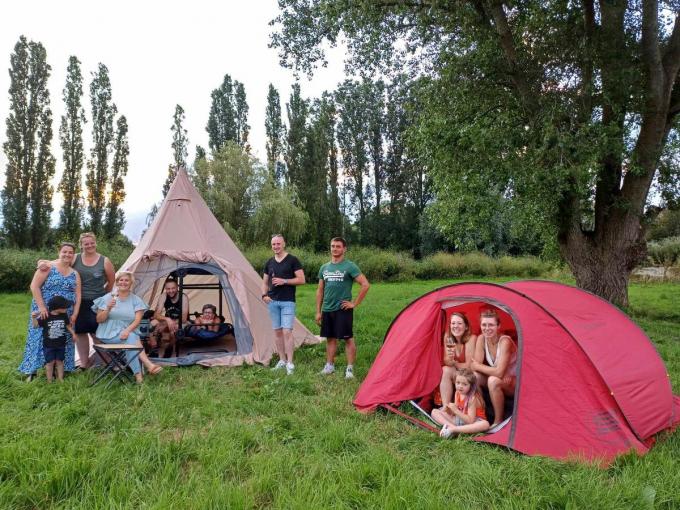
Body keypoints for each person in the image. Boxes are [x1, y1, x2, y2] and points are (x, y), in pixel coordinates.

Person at [38, 232, 115, 369]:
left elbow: (111, 282)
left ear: (95, 243)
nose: (89, 245)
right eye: (86, 243)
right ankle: (84, 364)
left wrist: (105, 299)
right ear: (81, 245)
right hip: (79, 302)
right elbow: (59, 261)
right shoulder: (75, 258)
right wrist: (43, 262)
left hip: (98, 302)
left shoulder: (105, 261)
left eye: (92, 242)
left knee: (98, 333)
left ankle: (106, 362)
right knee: (80, 333)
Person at [19, 242, 82, 381]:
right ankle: (32, 370)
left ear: (73, 255)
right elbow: (34, 286)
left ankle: (59, 369)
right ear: (59, 252)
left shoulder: (75, 273)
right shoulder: (47, 267)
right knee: (39, 336)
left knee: (62, 337)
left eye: (70, 252)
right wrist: (41, 307)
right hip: (44, 309)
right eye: (64, 251)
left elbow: (78, 295)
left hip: (66, 311)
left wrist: (75, 313)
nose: (67, 254)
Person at [93, 271, 162, 383]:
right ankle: (147, 365)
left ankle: (139, 376)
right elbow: (99, 319)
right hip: (108, 333)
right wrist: (108, 309)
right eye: (121, 280)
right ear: (117, 282)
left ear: (131, 283)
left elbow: (137, 320)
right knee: (133, 338)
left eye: (127, 280)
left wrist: (127, 330)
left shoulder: (136, 300)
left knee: (130, 339)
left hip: (127, 333)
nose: (123, 282)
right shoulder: (107, 298)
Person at [316, 237, 370, 379]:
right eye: (332, 246)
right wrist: (318, 311)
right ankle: (329, 366)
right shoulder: (324, 267)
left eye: (338, 246)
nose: (335, 249)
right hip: (327, 309)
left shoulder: (350, 266)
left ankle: (350, 369)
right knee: (330, 338)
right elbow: (320, 290)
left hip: (343, 309)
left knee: (348, 338)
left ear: (344, 249)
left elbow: (365, 284)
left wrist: (354, 303)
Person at [262, 234, 305, 375]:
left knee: (287, 331)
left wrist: (284, 281)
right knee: (277, 332)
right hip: (273, 302)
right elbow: (264, 282)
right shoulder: (269, 262)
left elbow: (302, 280)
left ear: (284, 244)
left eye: (278, 244)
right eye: (273, 244)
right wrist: (264, 295)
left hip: (287, 301)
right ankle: (282, 360)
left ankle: (290, 363)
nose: (276, 246)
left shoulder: (293, 260)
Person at [470, 309, 517, 427]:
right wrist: (480, 367)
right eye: (483, 325)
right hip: (500, 378)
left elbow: (499, 372)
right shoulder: (481, 338)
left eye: (491, 325)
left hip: (514, 381)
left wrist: (479, 366)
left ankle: (498, 421)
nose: (487, 328)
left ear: (498, 326)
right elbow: (475, 367)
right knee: (474, 376)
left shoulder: (505, 341)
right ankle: (480, 414)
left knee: (493, 380)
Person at [432, 368, 490, 438]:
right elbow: (455, 412)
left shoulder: (472, 399)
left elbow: (470, 421)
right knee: (434, 412)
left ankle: (454, 429)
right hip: (460, 420)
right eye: (458, 383)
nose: (460, 386)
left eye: (464, 384)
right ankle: (452, 428)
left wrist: (456, 410)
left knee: (485, 424)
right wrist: (450, 410)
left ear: (471, 386)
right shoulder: (457, 393)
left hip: (474, 422)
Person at [32, 295, 76, 383]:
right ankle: (49, 381)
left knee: (60, 361)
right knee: (50, 363)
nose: (67, 308)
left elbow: (67, 325)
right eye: (65, 306)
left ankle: (60, 379)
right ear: (57, 308)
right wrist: (33, 318)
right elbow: (36, 326)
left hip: (61, 344)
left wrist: (73, 333)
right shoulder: (46, 315)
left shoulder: (64, 315)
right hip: (49, 345)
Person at [438, 312, 477, 408]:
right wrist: (450, 359)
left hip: (470, 373)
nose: (456, 326)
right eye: (453, 323)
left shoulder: (471, 338)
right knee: (445, 370)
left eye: (459, 323)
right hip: (458, 371)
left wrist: (454, 363)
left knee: (451, 369)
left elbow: (469, 366)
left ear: (466, 326)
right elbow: (446, 361)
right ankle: (446, 407)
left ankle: (465, 406)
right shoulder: (448, 336)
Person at [151, 278, 189, 357]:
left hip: (181, 321)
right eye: (168, 289)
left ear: (177, 287)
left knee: (173, 329)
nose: (171, 291)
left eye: (173, 288)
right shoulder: (163, 296)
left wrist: (170, 322)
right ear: (165, 289)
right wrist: (167, 319)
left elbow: (184, 318)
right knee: (152, 324)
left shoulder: (183, 297)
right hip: (167, 320)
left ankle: (169, 348)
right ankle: (154, 348)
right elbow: (156, 315)